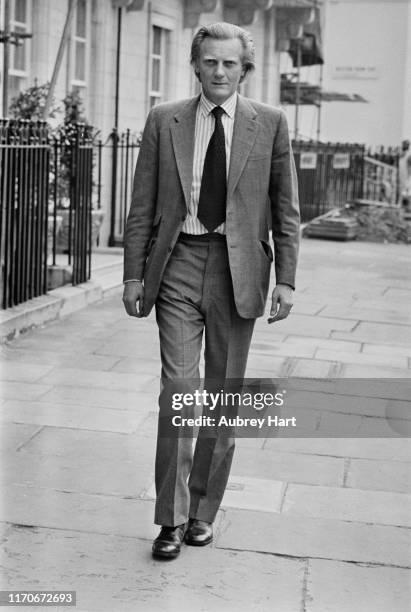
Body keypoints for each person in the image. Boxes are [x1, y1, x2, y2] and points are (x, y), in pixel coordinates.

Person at [122, 22, 300, 560]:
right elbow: (142, 206)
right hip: (177, 263)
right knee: (178, 391)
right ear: (195, 65)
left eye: (229, 63)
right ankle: (170, 520)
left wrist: (287, 279)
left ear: (244, 69)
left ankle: (202, 511)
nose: (219, 71)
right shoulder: (164, 120)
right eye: (209, 62)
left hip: (238, 269)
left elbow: (285, 210)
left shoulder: (269, 124)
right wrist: (133, 273)